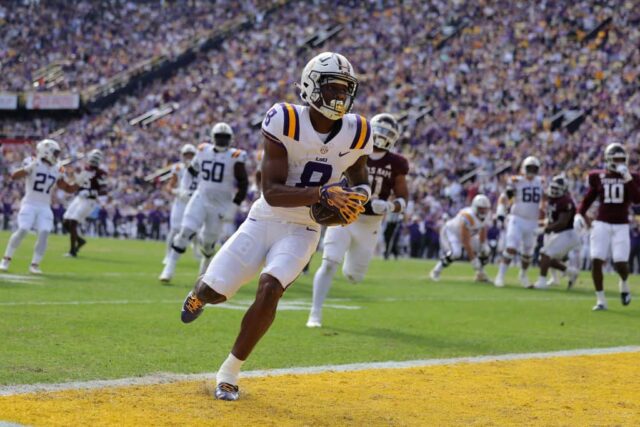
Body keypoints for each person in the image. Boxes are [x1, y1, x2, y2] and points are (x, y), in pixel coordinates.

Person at [178, 52, 373, 401]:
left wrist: (359, 196)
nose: (339, 97)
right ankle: (198, 295)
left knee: (271, 287)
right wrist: (323, 193)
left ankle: (229, 372)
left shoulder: (358, 129)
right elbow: (272, 192)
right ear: (312, 88)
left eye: (345, 89)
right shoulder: (286, 119)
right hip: (266, 216)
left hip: (306, 226)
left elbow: (360, 174)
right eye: (331, 88)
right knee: (216, 291)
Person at [307, 113, 409, 328]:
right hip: (344, 214)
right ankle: (314, 313)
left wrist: (391, 206)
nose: (381, 137)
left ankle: (349, 266)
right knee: (329, 262)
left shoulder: (397, 163)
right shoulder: (354, 150)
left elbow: (403, 199)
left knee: (354, 276)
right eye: (379, 131)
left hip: (370, 223)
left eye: (387, 134)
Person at [159, 123, 249, 281]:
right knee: (185, 231)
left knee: (208, 243)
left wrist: (234, 206)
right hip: (201, 197)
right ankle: (169, 268)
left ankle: (205, 267)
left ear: (231, 139)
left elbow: (243, 184)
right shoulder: (203, 150)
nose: (221, 140)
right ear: (213, 138)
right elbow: (192, 171)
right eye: (219, 137)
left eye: (225, 137)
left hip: (221, 203)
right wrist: (183, 188)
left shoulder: (236, 156)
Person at [575, 143, 640, 310]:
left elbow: (637, 199)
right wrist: (579, 213)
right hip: (601, 223)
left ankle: (624, 283)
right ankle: (601, 300)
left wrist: (628, 179)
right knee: (596, 259)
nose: (619, 163)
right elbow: (588, 198)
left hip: (621, 225)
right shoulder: (598, 177)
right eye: (616, 159)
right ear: (609, 160)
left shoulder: (631, 176)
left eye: (621, 159)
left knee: (621, 264)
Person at [0, 139, 78, 274]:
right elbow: (14, 176)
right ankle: (6, 259)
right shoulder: (32, 162)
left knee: (45, 232)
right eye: (55, 153)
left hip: (44, 206)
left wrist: (79, 183)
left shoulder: (58, 167)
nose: (56, 156)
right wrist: (28, 168)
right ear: (46, 151)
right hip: (29, 203)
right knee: (23, 229)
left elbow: (67, 188)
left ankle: (34, 264)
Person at [494, 156, 545, 287]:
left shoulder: (541, 182)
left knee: (528, 253)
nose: (532, 171)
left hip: (532, 221)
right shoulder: (517, 181)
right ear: (523, 168)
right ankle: (500, 276)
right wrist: (500, 210)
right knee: (511, 247)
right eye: (530, 168)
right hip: (517, 218)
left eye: (534, 168)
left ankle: (523, 275)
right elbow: (505, 197)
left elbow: (544, 200)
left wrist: (544, 215)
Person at [429, 194, 492, 282]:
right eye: (481, 208)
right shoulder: (468, 216)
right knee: (456, 253)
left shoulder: (486, 216)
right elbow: (465, 241)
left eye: (485, 208)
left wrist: (482, 245)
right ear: (475, 207)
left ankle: (480, 274)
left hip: (468, 234)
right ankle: (436, 271)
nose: (483, 211)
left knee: (485, 249)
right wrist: (473, 260)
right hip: (452, 232)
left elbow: (483, 230)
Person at [533, 174, 580, 289]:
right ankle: (571, 272)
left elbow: (562, 222)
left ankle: (542, 282)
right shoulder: (552, 199)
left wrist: (544, 230)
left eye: (556, 189)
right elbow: (552, 218)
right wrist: (541, 224)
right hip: (558, 233)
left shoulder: (566, 201)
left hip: (566, 233)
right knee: (546, 258)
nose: (553, 191)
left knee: (545, 254)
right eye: (552, 188)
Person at [62, 149, 108, 257]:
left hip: (89, 201)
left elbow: (104, 190)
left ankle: (72, 251)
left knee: (73, 222)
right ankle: (80, 240)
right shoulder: (84, 169)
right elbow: (77, 183)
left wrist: (90, 192)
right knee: (65, 222)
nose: (93, 161)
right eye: (93, 158)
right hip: (79, 198)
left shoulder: (101, 173)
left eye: (95, 159)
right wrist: (72, 177)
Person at [162, 144, 197, 264]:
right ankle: (168, 255)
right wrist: (176, 192)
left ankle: (197, 253)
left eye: (191, 154)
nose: (188, 157)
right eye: (186, 154)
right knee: (175, 229)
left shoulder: (200, 167)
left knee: (196, 230)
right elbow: (169, 186)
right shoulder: (178, 168)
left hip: (194, 201)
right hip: (181, 202)